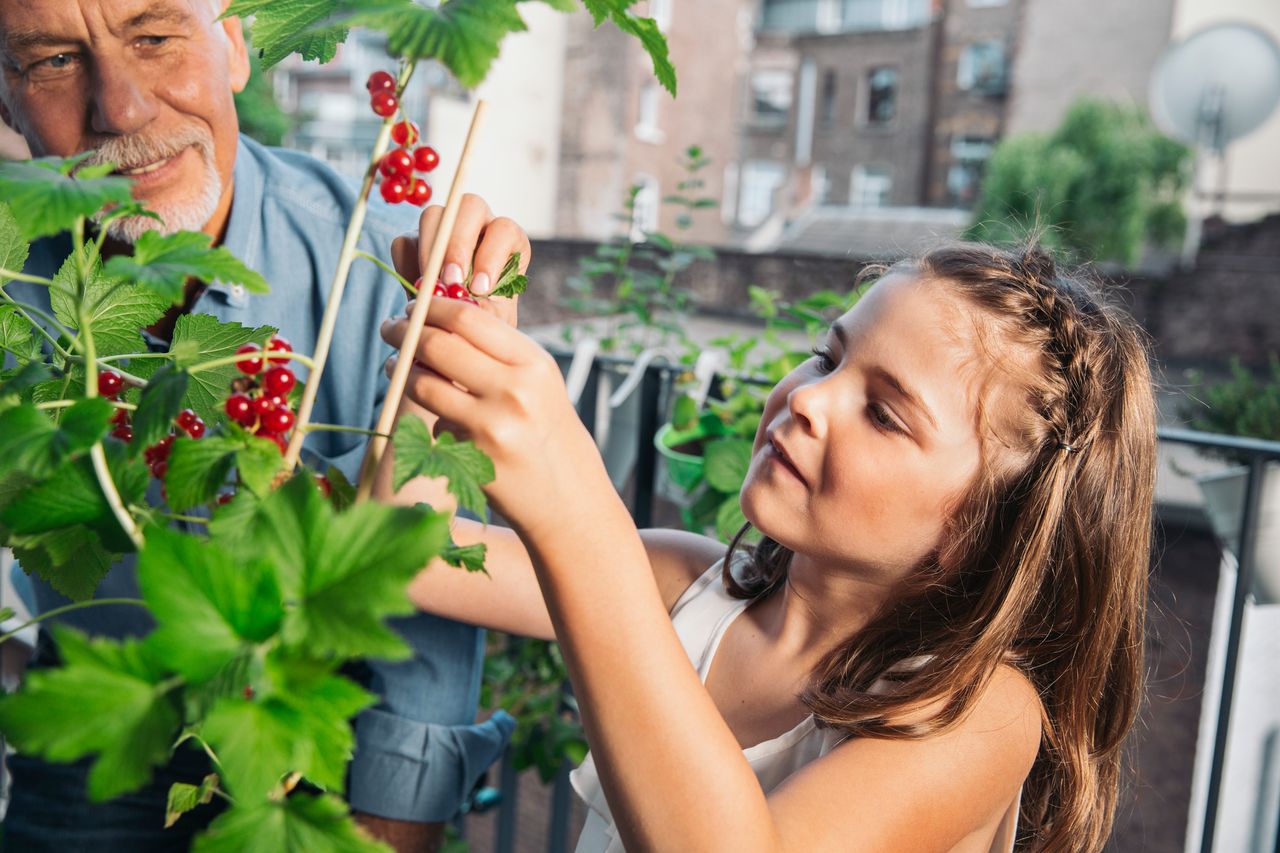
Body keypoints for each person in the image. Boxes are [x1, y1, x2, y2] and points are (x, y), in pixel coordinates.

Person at [378, 242, 1157, 852]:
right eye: (828, 356)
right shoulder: (687, 582)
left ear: (976, 527)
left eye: (884, 413)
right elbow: (405, 546)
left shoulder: (978, 713)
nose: (809, 397)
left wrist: (577, 516)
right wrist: (444, 340)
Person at [0, 1, 529, 849]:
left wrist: (394, 818)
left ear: (236, 48)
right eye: (55, 61)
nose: (122, 110)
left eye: (155, 38)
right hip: (103, 728)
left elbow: (428, 606)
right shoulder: (10, 285)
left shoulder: (381, 270)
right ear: (6, 99)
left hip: (325, 754)